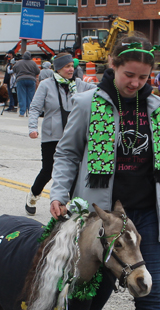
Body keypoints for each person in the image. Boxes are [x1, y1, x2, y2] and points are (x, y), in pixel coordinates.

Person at [49, 34, 160, 310]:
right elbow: (68, 153)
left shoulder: (158, 109)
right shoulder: (89, 102)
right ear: (113, 66)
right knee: (96, 291)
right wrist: (59, 193)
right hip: (104, 220)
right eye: (129, 74)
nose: (135, 82)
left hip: (147, 218)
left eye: (142, 77)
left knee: (148, 296)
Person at [25, 53, 96, 215]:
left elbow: (100, 92)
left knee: (75, 170)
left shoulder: (79, 84)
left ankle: (67, 206)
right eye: (67, 66)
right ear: (58, 68)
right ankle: (33, 194)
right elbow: (35, 107)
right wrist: (32, 128)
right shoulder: (46, 85)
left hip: (73, 135)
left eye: (72, 66)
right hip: (53, 135)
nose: (71, 69)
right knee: (48, 170)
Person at [13, 51, 40, 117]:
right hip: (31, 80)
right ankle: (30, 112)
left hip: (21, 79)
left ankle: (22, 112)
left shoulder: (19, 62)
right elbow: (38, 71)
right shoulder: (33, 63)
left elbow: (14, 69)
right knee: (31, 96)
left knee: (21, 95)